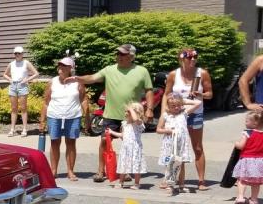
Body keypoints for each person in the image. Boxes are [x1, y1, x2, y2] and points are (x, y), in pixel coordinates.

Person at [72, 44, 153, 183]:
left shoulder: (142, 71)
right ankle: (100, 171)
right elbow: (92, 78)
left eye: (123, 54)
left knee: (128, 143)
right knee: (104, 141)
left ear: (132, 57)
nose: (119, 57)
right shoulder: (109, 69)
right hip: (110, 114)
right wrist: (76, 78)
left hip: (130, 117)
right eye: (118, 54)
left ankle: (125, 171)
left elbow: (149, 90)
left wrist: (150, 109)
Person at [163, 47, 213, 190]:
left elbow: (210, 94)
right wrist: (164, 113)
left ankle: (201, 181)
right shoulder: (174, 74)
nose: (193, 59)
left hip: (195, 114)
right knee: (174, 147)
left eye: (195, 56)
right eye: (189, 57)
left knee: (197, 147)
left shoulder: (202, 73)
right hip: (177, 115)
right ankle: (172, 178)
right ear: (181, 58)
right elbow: (166, 94)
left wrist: (200, 94)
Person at [39, 56, 85, 181]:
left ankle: (70, 171)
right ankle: (53, 170)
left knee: (71, 143)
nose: (60, 67)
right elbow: (46, 102)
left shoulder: (78, 82)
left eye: (64, 65)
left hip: (73, 116)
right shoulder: (52, 82)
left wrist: (87, 118)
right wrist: (42, 121)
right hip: (54, 116)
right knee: (54, 143)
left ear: (71, 68)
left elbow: (83, 100)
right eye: (59, 65)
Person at [156, 92, 200, 195]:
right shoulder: (165, 115)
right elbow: (158, 129)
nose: (176, 108)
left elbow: (197, 103)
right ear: (168, 106)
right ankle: (170, 185)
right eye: (173, 106)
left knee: (181, 165)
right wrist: (168, 131)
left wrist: (183, 100)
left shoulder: (184, 113)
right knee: (170, 164)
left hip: (181, 144)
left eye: (178, 105)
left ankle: (181, 185)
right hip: (170, 144)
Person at [108, 101, 146, 189]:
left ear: (136, 113)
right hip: (125, 148)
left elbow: (136, 119)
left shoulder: (139, 123)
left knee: (136, 166)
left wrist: (131, 110)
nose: (126, 113)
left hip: (135, 148)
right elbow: (122, 135)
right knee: (123, 165)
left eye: (128, 111)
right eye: (126, 111)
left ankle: (136, 183)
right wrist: (111, 132)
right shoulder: (125, 124)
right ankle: (121, 182)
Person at [2, 46, 38, 136]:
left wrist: (27, 80)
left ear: (22, 54)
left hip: (23, 86)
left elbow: (36, 73)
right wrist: (10, 80)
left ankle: (25, 129)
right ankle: (12, 129)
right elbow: (5, 74)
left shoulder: (26, 63)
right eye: (15, 53)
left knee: (23, 108)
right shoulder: (11, 64)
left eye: (19, 53)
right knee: (14, 109)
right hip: (13, 86)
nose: (17, 55)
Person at [233, 111, 263, 204]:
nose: (245, 122)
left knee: (242, 180)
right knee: (256, 182)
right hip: (259, 161)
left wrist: (236, 144)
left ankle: (241, 197)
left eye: (247, 121)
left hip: (247, 160)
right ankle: (254, 199)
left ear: (255, 123)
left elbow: (241, 146)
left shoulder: (247, 133)